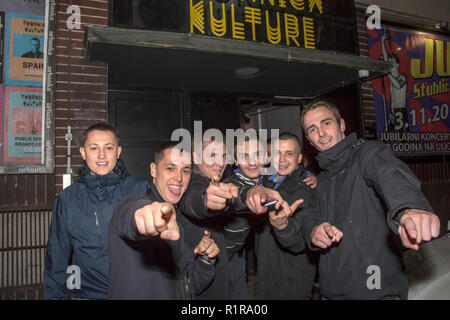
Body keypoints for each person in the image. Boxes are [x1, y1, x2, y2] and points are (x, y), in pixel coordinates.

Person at [300, 99, 440, 299]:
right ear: (309, 139)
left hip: (376, 291)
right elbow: (310, 217)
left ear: (341, 125)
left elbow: (389, 174)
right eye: (312, 129)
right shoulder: (320, 179)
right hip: (331, 292)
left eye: (326, 123)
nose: (321, 133)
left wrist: (408, 207)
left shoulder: (367, 153)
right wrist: (314, 232)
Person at [43, 123, 150, 299]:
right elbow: (57, 259)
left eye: (108, 148)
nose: (101, 155)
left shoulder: (140, 189)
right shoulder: (68, 199)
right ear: (83, 153)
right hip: (87, 295)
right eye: (94, 148)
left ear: (118, 151)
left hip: (134, 293)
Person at [108, 141, 219, 299]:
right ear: (153, 170)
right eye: (171, 168)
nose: (179, 178)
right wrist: (148, 216)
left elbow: (191, 285)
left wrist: (206, 259)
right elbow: (133, 214)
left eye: (185, 171)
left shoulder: (177, 221)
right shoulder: (132, 204)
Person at [179, 137, 242, 299]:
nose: (220, 163)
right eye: (212, 155)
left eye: (223, 156)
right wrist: (206, 201)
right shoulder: (188, 184)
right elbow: (194, 199)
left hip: (229, 279)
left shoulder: (225, 182)